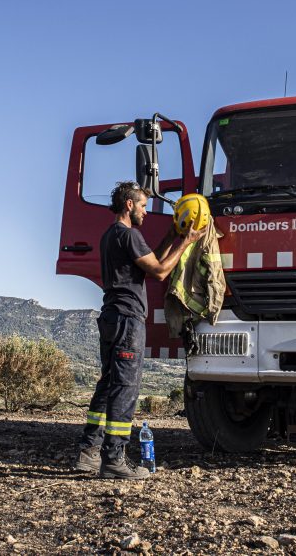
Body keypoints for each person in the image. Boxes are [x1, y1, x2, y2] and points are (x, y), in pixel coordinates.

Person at [75, 181, 206, 480]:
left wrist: (173, 235)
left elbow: (150, 262)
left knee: (108, 385)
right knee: (125, 389)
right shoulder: (129, 234)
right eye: (144, 206)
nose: (147, 212)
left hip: (111, 317)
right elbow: (160, 271)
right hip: (127, 321)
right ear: (129, 205)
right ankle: (114, 459)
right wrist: (187, 242)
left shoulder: (112, 235)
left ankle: (88, 452)